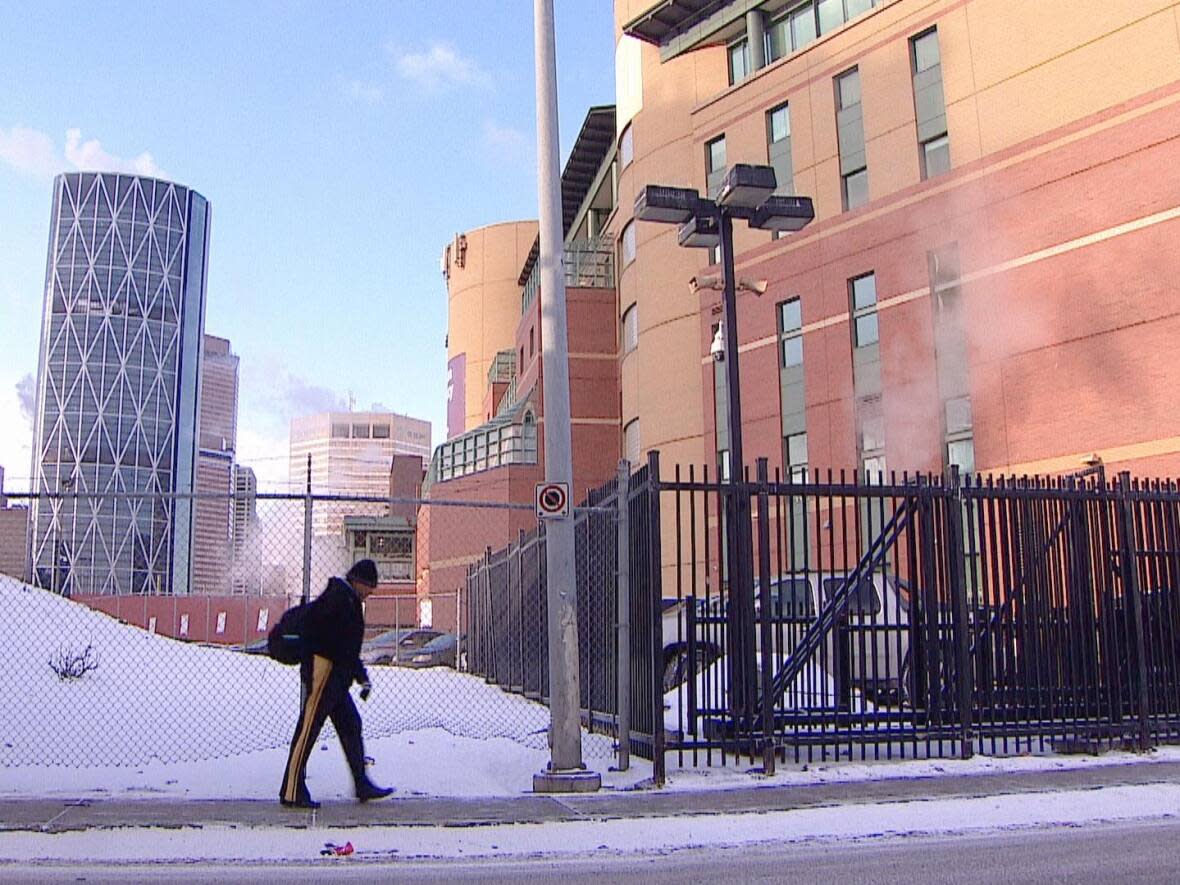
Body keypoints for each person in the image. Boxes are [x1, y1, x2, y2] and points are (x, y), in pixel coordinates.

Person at [280, 558, 394, 808]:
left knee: (351, 725)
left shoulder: (349, 601)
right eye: (369, 588)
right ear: (359, 582)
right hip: (324, 673)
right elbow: (328, 639)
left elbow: (348, 648)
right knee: (308, 729)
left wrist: (361, 677)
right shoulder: (338, 599)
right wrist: (329, 663)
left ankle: (361, 783)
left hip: (336, 679)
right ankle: (291, 790)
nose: (369, 595)